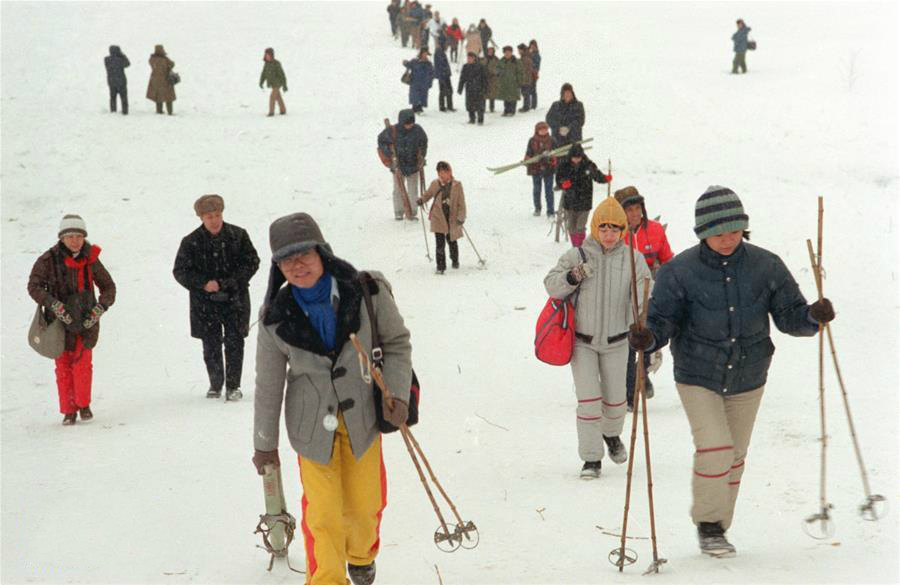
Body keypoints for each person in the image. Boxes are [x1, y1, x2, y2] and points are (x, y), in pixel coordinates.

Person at [628, 186, 836, 556]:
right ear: (702, 231)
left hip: (749, 374)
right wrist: (648, 336)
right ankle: (709, 525)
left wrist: (812, 317)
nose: (727, 239)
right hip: (697, 375)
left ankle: (719, 527)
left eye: (735, 231)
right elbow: (662, 322)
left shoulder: (765, 265)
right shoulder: (679, 272)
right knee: (716, 448)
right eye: (718, 232)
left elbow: (790, 316)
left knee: (735, 454)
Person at [252, 212, 412, 585]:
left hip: (364, 421)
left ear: (322, 252)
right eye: (286, 259)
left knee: (364, 508)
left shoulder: (367, 291)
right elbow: (269, 385)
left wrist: (398, 393)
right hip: (310, 429)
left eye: (304, 254)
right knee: (322, 517)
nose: (297, 265)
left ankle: (360, 556)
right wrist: (265, 444)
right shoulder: (275, 317)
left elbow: (396, 344)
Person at [544, 197, 651, 478]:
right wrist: (573, 276)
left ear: (622, 231)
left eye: (615, 229)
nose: (609, 235)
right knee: (589, 401)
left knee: (616, 402)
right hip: (583, 343)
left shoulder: (633, 259)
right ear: (594, 228)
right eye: (603, 229)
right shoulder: (578, 255)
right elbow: (551, 286)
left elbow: (643, 297)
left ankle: (611, 434)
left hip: (617, 343)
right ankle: (591, 459)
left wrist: (641, 325)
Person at [28, 214, 116, 425]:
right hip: (58, 322)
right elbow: (34, 286)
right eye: (70, 236)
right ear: (62, 238)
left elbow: (108, 286)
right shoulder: (48, 259)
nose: (75, 240)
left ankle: (83, 404)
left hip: (87, 319)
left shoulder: (91, 259)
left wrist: (100, 307)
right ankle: (68, 410)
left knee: (83, 363)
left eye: (79, 236)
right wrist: (53, 304)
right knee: (63, 364)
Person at [173, 195, 260, 401]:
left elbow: (252, 262)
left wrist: (227, 283)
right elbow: (180, 270)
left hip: (235, 299)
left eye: (218, 215)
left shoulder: (238, 235)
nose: (214, 220)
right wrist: (203, 283)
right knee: (210, 344)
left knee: (235, 342)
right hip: (204, 303)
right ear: (201, 217)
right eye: (209, 216)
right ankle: (215, 384)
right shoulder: (190, 242)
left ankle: (233, 386)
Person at [615, 186, 674, 411]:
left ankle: (643, 371)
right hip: (622, 296)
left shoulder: (656, 230)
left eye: (638, 208)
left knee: (650, 341)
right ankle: (629, 395)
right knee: (629, 345)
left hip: (650, 295)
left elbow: (668, 260)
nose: (635, 214)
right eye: (629, 210)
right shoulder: (615, 233)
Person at [555, 144, 612, 247]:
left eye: (579, 158)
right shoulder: (564, 166)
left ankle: (580, 247)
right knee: (571, 227)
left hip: (584, 201)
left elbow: (597, 175)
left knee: (580, 226)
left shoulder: (588, 165)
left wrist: (605, 178)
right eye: (574, 158)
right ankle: (575, 246)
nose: (577, 160)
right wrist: (562, 184)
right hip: (570, 201)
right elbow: (558, 178)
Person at [377, 109, 428, 220]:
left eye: (411, 123)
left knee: (413, 189)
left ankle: (413, 211)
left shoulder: (418, 130)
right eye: (407, 123)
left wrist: (422, 156)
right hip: (398, 165)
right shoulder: (392, 131)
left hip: (413, 165)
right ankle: (398, 212)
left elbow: (424, 143)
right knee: (398, 189)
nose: (410, 125)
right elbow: (381, 142)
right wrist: (390, 154)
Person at [417, 161, 467, 274]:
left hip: (452, 218)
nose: (441, 175)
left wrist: (461, 217)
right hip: (438, 217)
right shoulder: (435, 184)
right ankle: (440, 267)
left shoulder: (457, 185)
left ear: (450, 172)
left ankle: (455, 260)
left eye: (444, 172)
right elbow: (428, 194)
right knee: (439, 243)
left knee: (452, 240)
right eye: (439, 172)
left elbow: (461, 203)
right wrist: (421, 200)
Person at [525, 121, 557, 216]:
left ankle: (550, 211)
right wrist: (527, 160)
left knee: (549, 191)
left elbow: (556, 154)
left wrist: (550, 157)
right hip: (536, 169)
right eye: (541, 129)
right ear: (537, 130)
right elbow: (528, 153)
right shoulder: (532, 140)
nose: (543, 131)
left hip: (548, 169)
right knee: (537, 190)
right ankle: (537, 208)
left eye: (545, 129)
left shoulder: (552, 140)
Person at [457, 51, 487, 125]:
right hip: (469, 89)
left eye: (470, 58)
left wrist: (485, 88)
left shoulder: (480, 67)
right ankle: (472, 118)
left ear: (474, 58)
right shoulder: (465, 67)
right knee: (470, 105)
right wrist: (460, 88)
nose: (469, 59)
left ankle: (480, 119)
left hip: (479, 89)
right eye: (468, 58)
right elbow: (462, 78)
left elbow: (484, 78)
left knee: (480, 105)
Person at [146, 44, 175, 115]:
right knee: (169, 96)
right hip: (166, 79)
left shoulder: (152, 59)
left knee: (158, 95)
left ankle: (159, 110)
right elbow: (172, 64)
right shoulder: (165, 59)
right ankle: (170, 111)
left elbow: (152, 63)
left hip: (155, 79)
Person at [403, 48, 434, 113]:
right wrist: (405, 63)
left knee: (422, 95)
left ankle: (419, 107)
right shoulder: (415, 61)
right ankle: (415, 107)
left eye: (426, 54)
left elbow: (432, 73)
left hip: (424, 83)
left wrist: (430, 82)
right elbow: (409, 65)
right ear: (421, 54)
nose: (425, 55)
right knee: (415, 95)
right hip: (415, 82)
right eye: (424, 54)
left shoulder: (429, 64)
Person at [259, 47, 288, 117]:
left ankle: (271, 112)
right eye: (266, 55)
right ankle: (283, 110)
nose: (267, 56)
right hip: (272, 84)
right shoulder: (266, 64)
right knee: (278, 97)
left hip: (277, 83)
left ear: (272, 55)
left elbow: (282, 74)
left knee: (272, 97)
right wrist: (261, 82)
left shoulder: (276, 63)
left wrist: (284, 85)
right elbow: (263, 73)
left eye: (268, 55)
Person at [496, 45, 523, 116]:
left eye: (509, 52)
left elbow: (520, 72)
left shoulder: (516, 61)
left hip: (514, 83)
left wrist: (520, 82)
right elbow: (497, 69)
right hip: (504, 83)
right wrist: (499, 73)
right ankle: (506, 110)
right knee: (505, 98)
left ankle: (512, 111)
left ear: (511, 53)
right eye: (506, 52)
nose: (507, 54)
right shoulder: (501, 61)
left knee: (513, 98)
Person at [104, 45, 130, 115]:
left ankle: (113, 110)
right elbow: (127, 64)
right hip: (121, 81)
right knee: (123, 97)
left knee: (112, 97)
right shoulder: (120, 59)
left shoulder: (106, 59)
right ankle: (125, 111)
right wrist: (123, 55)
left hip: (111, 81)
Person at [434, 40, 455, 112]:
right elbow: (441, 64)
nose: (447, 46)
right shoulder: (439, 52)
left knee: (447, 90)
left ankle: (448, 106)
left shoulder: (440, 51)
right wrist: (444, 72)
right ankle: (443, 106)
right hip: (443, 75)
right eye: (446, 44)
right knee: (444, 90)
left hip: (444, 74)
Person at [517, 43, 535, 113]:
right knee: (525, 93)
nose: (518, 51)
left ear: (522, 50)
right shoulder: (525, 57)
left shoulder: (525, 58)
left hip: (525, 79)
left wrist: (522, 79)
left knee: (525, 93)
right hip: (526, 79)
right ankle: (526, 106)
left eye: (519, 50)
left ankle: (526, 107)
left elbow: (524, 70)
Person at [481, 46, 499, 113]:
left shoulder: (496, 59)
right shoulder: (484, 59)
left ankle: (492, 108)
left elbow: (499, 69)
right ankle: (483, 108)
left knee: (492, 95)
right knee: (484, 94)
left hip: (493, 79)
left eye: (491, 51)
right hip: (485, 79)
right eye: (489, 51)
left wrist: (493, 72)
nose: (490, 52)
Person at [528, 40, 541, 108]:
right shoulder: (529, 53)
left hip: (533, 74)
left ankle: (533, 105)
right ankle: (529, 104)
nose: (532, 47)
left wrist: (533, 68)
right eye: (531, 46)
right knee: (528, 90)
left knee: (533, 90)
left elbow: (537, 65)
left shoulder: (537, 55)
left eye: (533, 46)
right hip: (528, 74)